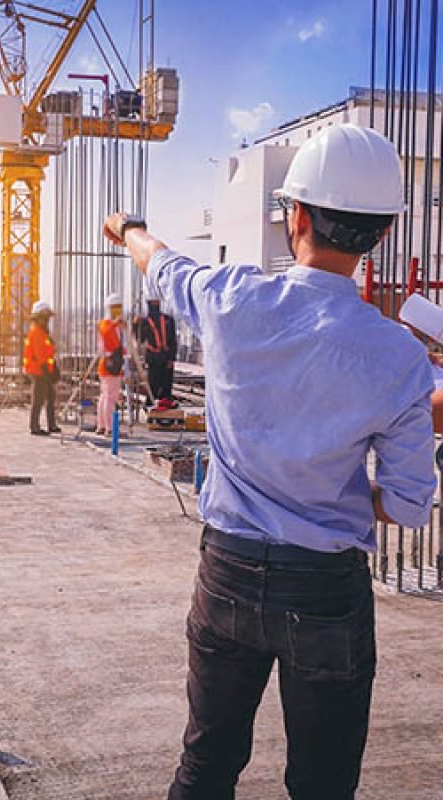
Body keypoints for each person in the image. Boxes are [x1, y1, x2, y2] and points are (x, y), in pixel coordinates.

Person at [102, 125, 436, 800]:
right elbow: (406, 504)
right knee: (322, 784)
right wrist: (331, 490)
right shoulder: (399, 357)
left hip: (225, 571)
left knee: (205, 768)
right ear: (381, 231)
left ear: (300, 217)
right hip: (325, 591)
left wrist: (126, 226)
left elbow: (158, 259)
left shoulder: (232, 299)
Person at [134, 285, 178, 406]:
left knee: (166, 387)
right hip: (153, 358)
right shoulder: (145, 322)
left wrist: (171, 358)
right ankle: (150, 407)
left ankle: (166, 408)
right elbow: (140, 339)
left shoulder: (168, 320)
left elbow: (173, 341)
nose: (155, 303)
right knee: (153, 385)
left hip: (165, 356)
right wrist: (135, 326)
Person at [23, 301, 61, 436]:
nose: (46, 320)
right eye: (44, 317)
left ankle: (52, 424)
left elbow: (48, 353)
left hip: (44, 370)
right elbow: (39, 355)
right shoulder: (37, 333)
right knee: (38, 398)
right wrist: (47, 371)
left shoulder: (43, 332)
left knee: (51, 397)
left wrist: (53, 368)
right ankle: (34, 426)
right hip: (38, 371)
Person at [96, 292, 126, 436]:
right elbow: (109, 340)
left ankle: (102, 425)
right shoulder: (107, 325)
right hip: (110, 365)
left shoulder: (113, 326)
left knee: (105, 396)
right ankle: (109, 428)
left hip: (112, 364)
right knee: (110, 397)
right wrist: (116, 324)